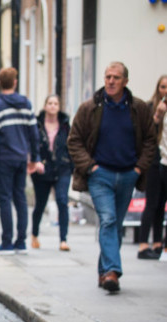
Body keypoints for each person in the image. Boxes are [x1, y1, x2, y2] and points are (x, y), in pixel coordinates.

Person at [67, 62, 155, 292]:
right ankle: (114, 271)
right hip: (100, 174)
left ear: (125, 81)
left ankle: (103, 272)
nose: (111, 81)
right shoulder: (90, 108)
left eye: (116, 77)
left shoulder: (138, 108)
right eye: (107, 77)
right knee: (107, 220)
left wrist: (138, 169)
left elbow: (150, 141)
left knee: (114, 226)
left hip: (128, 174)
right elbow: (74, 140)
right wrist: (90, 167)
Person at [0, 67, 44, 255]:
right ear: (15, 82)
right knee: (20, 199)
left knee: (5, 199)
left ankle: (7, 242)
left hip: (4, 157)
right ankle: (21, 242)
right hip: (21, 158)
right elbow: (34, 134)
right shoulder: (26, 104)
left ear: (0, 83)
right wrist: (34, 158)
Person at [30, 95, 73, 252]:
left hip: (62, 167)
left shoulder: (65, 125)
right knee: (40, 204)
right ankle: (34, 234)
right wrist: (36, 161)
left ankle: (63, 239)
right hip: (42, 169)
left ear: (59, 106)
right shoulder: (37, 124)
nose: (53, 106)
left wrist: (71, 164)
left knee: (62, 201)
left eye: (56, 103)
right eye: (50, 103)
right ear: (45, 106)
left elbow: (72, 145)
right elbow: (31, 144)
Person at [137, 75, 167, 260]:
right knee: (151, 202)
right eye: (163, 87)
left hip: (166, 161)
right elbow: (146, 135)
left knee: (162, 204)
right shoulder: (150, 108)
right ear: (158, 88)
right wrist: (157, 116)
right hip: (154, 162)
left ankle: (157, 243)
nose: (166, 91)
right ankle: (142, 245)